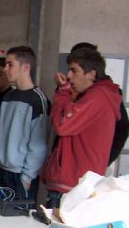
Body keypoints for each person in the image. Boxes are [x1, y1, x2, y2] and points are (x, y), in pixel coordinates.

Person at [42, 48, 121, 208]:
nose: (69, 76)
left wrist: (63, 93)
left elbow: (63, 126)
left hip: (74, 187)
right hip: (74, 183)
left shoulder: (98, 96)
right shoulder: (92, 95)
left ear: (92, 74)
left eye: (74, 70)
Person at [0, 46, 50, 201]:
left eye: (10, 64)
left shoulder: (38, 100)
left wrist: (27, 178)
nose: (5, 69)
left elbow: (38, 145)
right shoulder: (8, 96)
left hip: (19, 176)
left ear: (25, 67)